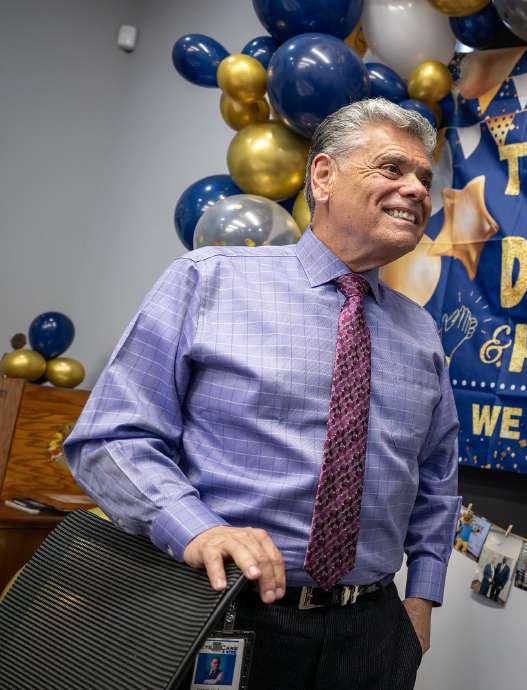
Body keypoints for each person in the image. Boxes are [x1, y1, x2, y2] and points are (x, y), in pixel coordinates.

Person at [63, 99, 456, 690]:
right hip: (218, 615)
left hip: (371, 636)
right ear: (323, 176)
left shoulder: (422, 331)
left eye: (424, 178)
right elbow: (110, 437)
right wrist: (196, 528)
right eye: (392, 169)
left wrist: (422, 598)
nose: (416, 189)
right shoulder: (207, 279)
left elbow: (435, 478)